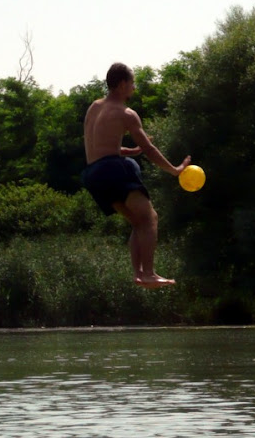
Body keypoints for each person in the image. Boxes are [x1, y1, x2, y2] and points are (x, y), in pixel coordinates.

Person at [82, 62, 191, 288]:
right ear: (122, 84)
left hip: (93, 174)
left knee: (138, 222)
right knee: (150, 218)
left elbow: (99, 148)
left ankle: (139, 274)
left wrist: (131, 151)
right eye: (133, 83)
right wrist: (175, 170)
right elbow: (150, 150)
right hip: (113, 170)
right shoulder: (127, 114)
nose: (134, 87)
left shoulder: (94, 107)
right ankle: (149, 273)